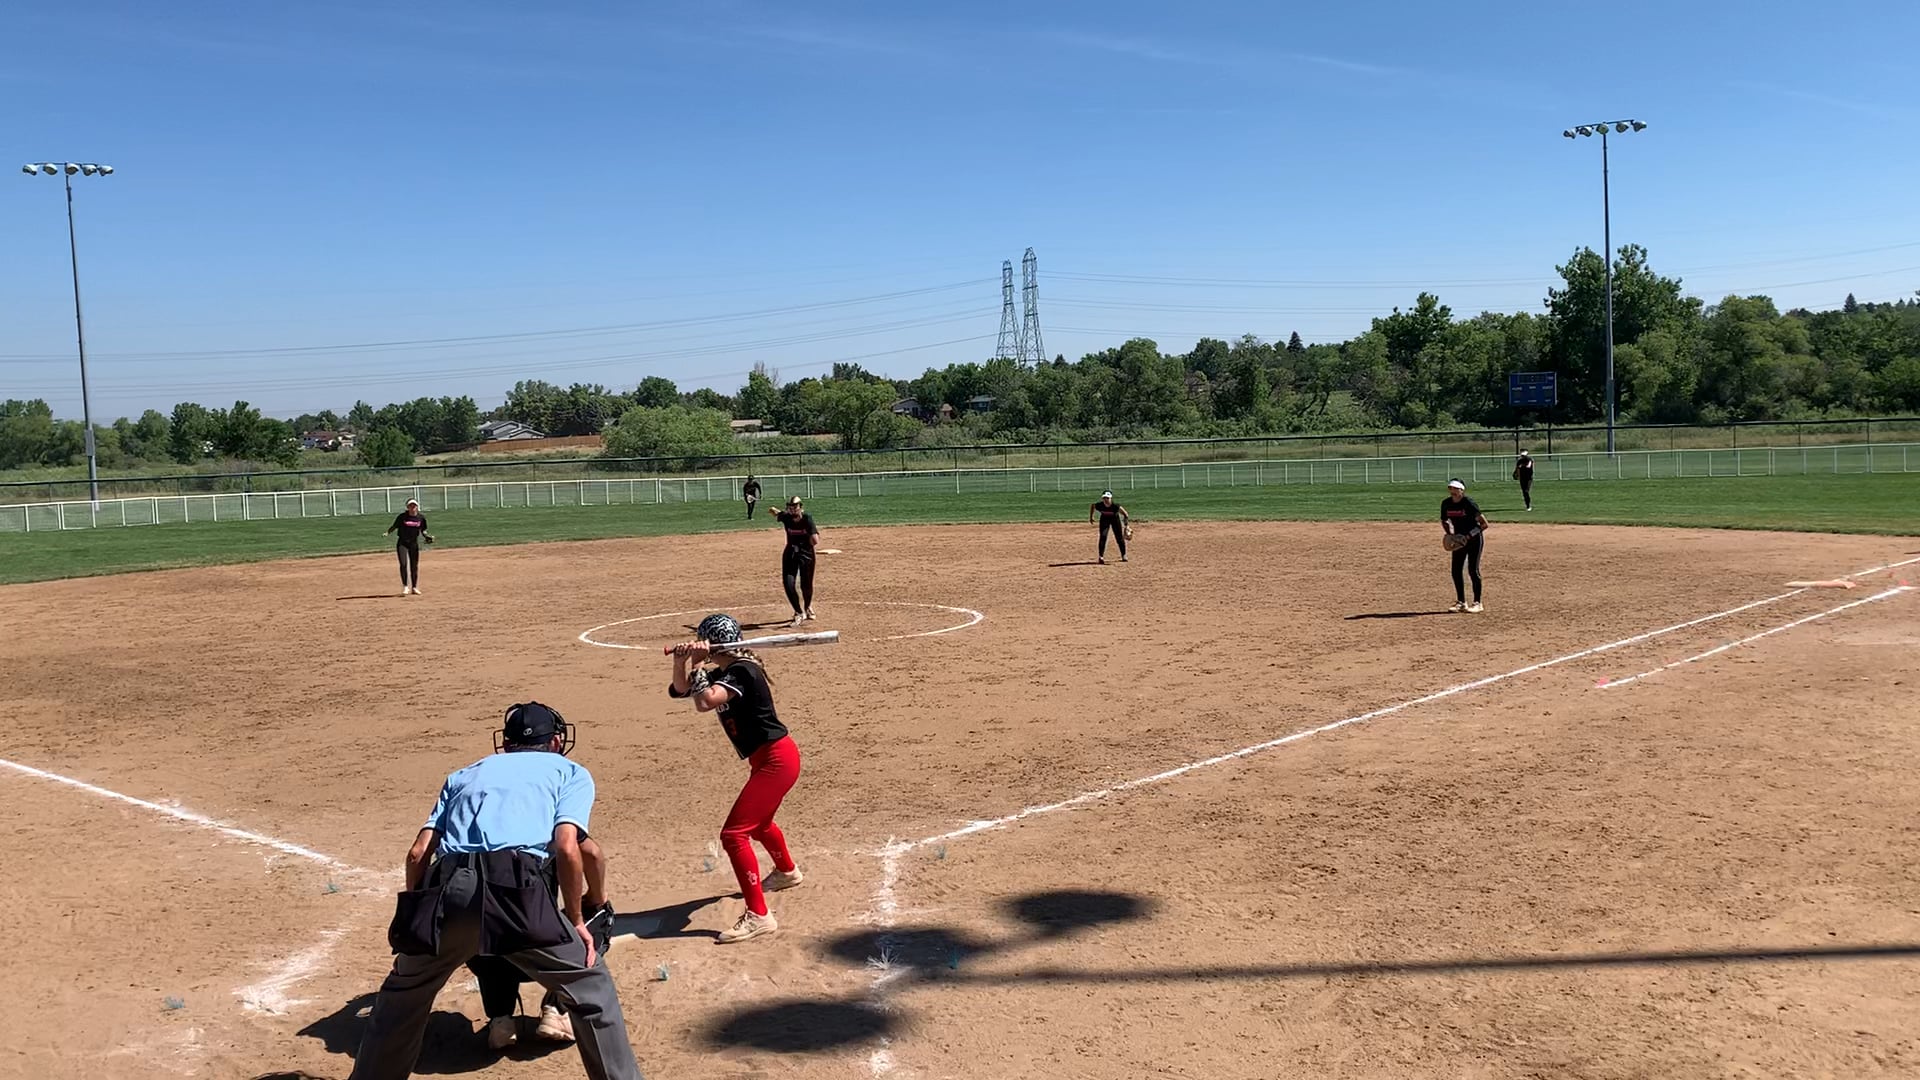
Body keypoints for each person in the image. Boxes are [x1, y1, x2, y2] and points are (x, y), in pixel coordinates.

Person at [347, 702, 644, 1080]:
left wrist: (422, 917)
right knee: (592, 989)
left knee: (402, 996)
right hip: (517, 892)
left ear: (505, 744)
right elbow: (570, 848)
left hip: (447, 889)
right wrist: (575, 920)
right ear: (556, 742)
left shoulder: (463, 775)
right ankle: (561, 1017)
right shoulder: (569, 772)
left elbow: (418, 853)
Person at [668, 614, 804, 945]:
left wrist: (698, 664)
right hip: (766, 759)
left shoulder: (743, 671)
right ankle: (787, 872)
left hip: (777, 759)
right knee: (759, 824)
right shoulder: (727, 671)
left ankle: (759, 915)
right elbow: (682, 690)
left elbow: (705, 701)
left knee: (733, 834)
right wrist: (681, 661)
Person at [467, 833, 612, 1050]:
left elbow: (418, 853)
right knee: (601, 913)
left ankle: (500, 1020)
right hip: (537, 953)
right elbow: (589, 854)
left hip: (479, 951)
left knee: (489, 921)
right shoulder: (546, 813)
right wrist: (591, 902)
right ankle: (558, 1009)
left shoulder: (464, 814)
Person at [767, 496, 819, 626]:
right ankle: (798, 612)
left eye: (795, 507)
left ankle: (807, 606)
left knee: (806, 585)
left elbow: (815, 540)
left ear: (801, 507)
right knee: (788, 583)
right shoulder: (786, 517)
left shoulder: (807, 519)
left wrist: (807, 537)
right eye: (790, 507)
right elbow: (777, 513)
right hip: (790, 552)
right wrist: (773, 510)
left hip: (806, 554)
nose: (793, 509)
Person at [1442, 479, 1489, 614]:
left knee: (1473, 570)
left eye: (1456, 488)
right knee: (1456, 570)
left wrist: (1467, 537)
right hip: (1458, 541)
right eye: (1451, 488)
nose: (1453, 491)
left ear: (1462, 490)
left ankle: (1477, 603)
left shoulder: (1469, 503)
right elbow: (1444, 520)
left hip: (1474, 540)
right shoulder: (1446, 504)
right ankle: (1461, 602)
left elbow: (1484, 524)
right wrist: (1450, 534)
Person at [384, 499, 434, 596]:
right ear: (407, 507)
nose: (412, 507)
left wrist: (427, 536)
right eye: (410, 505)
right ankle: (405, 587)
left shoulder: (421, 518)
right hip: (402, 543)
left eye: (414, 505)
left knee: (414, 566)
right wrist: (387, 532)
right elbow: (394, 526)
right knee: (403, 564)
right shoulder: (402, 517)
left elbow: (423, 530)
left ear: (417, 507)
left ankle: (414, 587)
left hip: (413, 544)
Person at [1088, 491, 1130, 564]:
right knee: (1103, 536)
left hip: (1115, 520)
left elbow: (1126, 514)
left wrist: (1126, 525)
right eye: (1104, 498)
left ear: (1111, 498)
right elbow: (1093, 506)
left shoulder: (1115, 506)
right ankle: (1101, 556)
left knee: (1119, 538)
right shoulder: (1100, 505)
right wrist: (1091, 517)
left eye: (1107, 498)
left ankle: (1124, 555)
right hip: (1104, 520)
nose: (1106, 500)